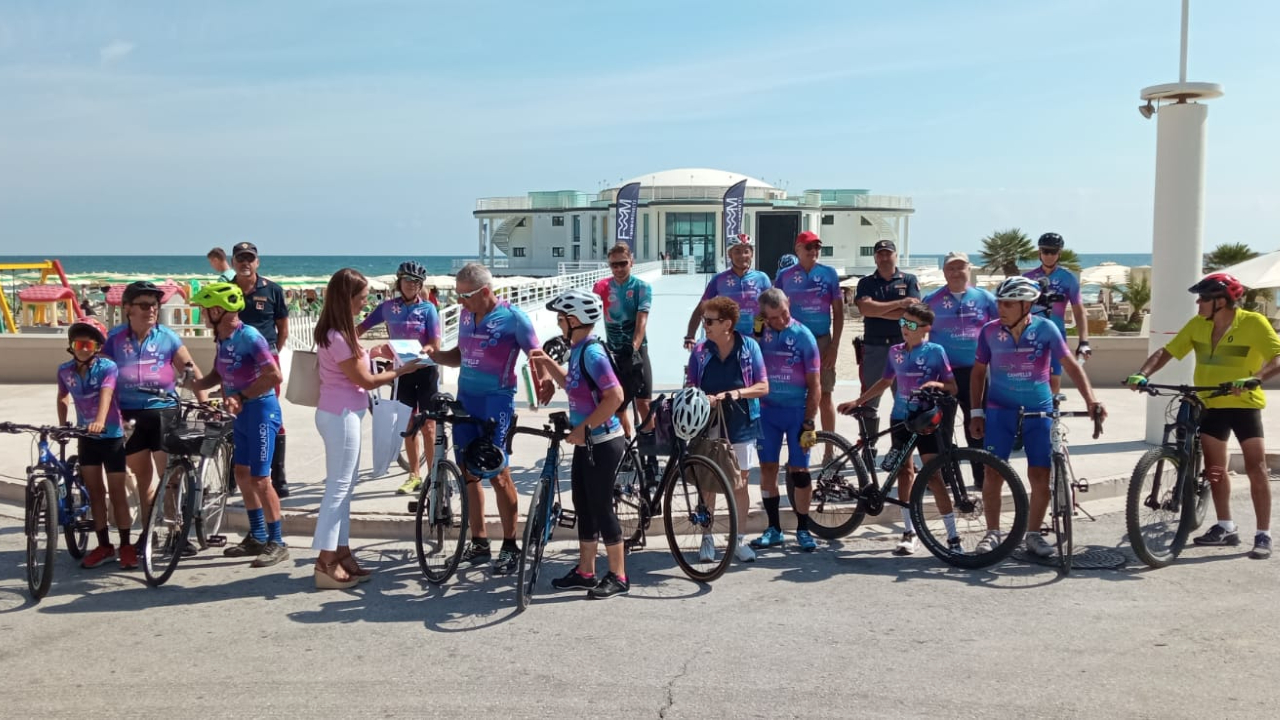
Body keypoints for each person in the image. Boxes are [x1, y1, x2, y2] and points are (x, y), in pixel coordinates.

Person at [1125, 273, 1280, 559]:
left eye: (1204, 298)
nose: (1198, 302)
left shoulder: (1253, 323)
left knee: (1256, 467)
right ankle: (1225, 527)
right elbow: (1167, 352)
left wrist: (1255, 378)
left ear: (1222, 301)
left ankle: (1263, 534)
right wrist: (1142, 374)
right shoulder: (1198, 325)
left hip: (1244, 403)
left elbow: (1278, 357)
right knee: (1215, 470)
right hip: (1210, 403)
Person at [425, 263, 552, 575]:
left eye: (465, 295)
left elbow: (536, 354)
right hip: (466, 400)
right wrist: (436, 355)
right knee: (468, 472)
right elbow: (461, 354)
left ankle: (510, 544)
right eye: (457, 295)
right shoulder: (468, 314)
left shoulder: (514, 319)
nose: (459, 302)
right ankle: (479, 541)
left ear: (484, 291)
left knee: (498, 473)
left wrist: (545, 380)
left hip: (496, 403)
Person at [970, 277, 1105, 558]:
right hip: (999, 410)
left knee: (1040, 473)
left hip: (1039, 409)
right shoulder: (989, 331)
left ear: (1026, 305)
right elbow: (978, 372)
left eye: (1007, 304)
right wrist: (976, 411)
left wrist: (1091, 400)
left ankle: (1033, 535)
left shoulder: (1047, 329)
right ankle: (992, 532)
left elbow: (1070, 366)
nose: (1001, 308)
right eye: (999, 303)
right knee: (992, 473)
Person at [310, 269, 415, 588]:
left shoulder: (341, 333)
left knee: (345, 486)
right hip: (341, 415)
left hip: (344, 413)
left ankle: (341, 552)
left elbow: (356, 366)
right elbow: (365, 380)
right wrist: (400, 371)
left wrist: (372, 352)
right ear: (347, 299)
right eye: (362, 297)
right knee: (339, 489)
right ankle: (325, 560)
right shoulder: (338, 336)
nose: (366, 303)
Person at [529, 289, 631, 598]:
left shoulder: (593, 353)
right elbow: (571, 383)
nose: (558, 324)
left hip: (603, 441)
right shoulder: (579, 350)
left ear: (574, 320)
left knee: (601, 508)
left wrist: (583, 427)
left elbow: (615, 397)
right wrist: (546, 362)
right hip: (587, 442)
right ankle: (586, 571)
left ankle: (619, 575)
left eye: (561, 319)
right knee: (584, 507)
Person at [101, 280, 206, 569]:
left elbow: (190, 369)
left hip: (164, 412)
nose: (151, 311)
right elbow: (102, 377)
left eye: (154, 306)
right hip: (129, 415)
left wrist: (205, 400)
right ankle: (148, 535)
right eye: (144, 305)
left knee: (170, 477)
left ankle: (176, 533)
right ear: (128, 309)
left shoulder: (168, 337)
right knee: (143, 479)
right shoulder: (114, 338)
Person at [839, 303, 958, 555]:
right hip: (900, 418)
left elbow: (952, 387)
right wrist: (858, 401)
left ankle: (953, 536)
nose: (904, 328)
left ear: (925, 328)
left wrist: (935, 383)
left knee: (934, 476)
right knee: (905, 473)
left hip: (926, 419)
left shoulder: (936, 351)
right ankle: (908, 532)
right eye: (902, 322)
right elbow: (885, 381)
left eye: (911, 324)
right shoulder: (895, 352)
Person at [187, 282, 290, 568]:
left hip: (260, 410)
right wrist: (194, 384)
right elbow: (219, 374)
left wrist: (242, 396)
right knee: (242, 474)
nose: (202, 316)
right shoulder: (221, 338)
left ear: (219, 310)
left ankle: (277, 541)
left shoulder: (250, 337)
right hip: (242, 413)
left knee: (260, 478)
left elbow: (274, 376)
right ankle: (256, 535)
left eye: (205, 310)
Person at [685, 296, 769, 563]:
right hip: (708, 423)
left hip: (742, 423)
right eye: (704, 321)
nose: (705, 326)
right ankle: (707, 538)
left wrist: (736, 393)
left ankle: (739, 540)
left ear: (727, 324)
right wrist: (700, 397)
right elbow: (689, 386)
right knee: (707, 484)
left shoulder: (749, 347)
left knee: (740, 483)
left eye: (709, 321)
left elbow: (763, 386)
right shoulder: (700, 351)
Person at [358, 260, 442, 496]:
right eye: (407, 280)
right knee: (407, 426)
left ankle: (434, 476)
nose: (411, 285)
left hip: (425, 371)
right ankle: (414, 476)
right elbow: (360, 328)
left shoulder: (428, 309)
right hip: (402, 373)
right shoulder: (387, 308)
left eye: (416, 282)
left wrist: (427, 349)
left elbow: (435, 343)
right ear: (399, 282)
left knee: (429, 427)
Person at [750, 288, 821, 553]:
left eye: (783, 314)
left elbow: (815, 386)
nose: (779, 321)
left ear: (788, 304)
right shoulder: (760, 333)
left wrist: (810, 422)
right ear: (763, 316)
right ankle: (774, 528)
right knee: (768, 469)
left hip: (796, 412)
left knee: (799, 472)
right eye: (772, 318)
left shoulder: (804, 336)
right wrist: (756, 335)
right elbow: (748, 362)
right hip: (767, 412)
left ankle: (803, 528)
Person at [57, 318, 131, 569]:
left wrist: (99, 421)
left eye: (88, 344)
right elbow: (63, 397)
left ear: (97, 347)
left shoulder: (107, 367)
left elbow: (106, 395)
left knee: (117, 492)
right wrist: (63, 423)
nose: (83, 349)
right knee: (96, 493)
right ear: (71, 345)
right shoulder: (65, 370)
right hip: (86, 438)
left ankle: (127, 545)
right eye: (78, 343)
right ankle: (104, 546)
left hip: (111, 437)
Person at [923, 252, 998, 489]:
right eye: (950, 268)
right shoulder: (931, 300)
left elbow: (1001, 329)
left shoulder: (986, 299)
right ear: (944, 272)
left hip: (976, 372)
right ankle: (948, 478)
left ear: (969, 269)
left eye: (960, 267)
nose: (955, 273)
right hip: (943, 375)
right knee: (942, 429)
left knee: (977, 425)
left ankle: (981, 476)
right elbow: (910, 324)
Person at [229, 241, 292, 499]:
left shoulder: (273, 290)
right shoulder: (226, 290)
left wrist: (271, 355)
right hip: (235, 362)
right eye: (240, 258)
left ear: (257, 262)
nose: (245, 263)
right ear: (233, 262)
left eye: (250, 258)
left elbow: (283, 328)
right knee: (235, 412)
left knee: (270, 415)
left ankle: (277, 474)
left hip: (266, 363)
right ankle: (234, 474)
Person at [774, 231, 843, 437]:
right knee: (796, 396)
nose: (813, 251)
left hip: (822, 342)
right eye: (809, 247)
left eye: (817, 247)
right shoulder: (784, 276)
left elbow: (839, 313)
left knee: (825, 395)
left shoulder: (829, 273)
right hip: (793, 343)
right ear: (798, 249)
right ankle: (799, 447)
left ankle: (830, 450)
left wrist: (834, 347)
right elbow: (774, 309)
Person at [853, 239, 921, 443]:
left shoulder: (908, 280)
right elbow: (865, 309)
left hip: (903, 347)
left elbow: (912, 314)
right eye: (880, 254)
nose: (884, 257)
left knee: (905, 402)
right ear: (875, 257)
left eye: (888, 253)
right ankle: (869, 449)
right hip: (874, 348)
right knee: (868, 403)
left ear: (895, 255)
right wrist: (900, 304)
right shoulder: (865, 282)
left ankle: (902, 453)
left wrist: (878, 309)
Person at [597, 243, 653, 437]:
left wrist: (633, 347)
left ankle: (650, 452)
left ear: (632, 262)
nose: (619, 269)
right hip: (613, 353)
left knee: (644, 403)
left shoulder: (642, 287)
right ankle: (627, 444)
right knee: (616, 405)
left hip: (636, 351)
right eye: (614, 265)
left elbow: (641, 322)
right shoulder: (602, 287)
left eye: (623, 263)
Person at [1024, 232, 1090, 394]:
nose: (1049, 256)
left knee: (1054, 378)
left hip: (1056, 334)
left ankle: (1052, 413)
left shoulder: (1068, 278)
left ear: (1059, 254)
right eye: (1045, 251)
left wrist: (1084, 341)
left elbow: (1079, 311)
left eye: (1053, 252)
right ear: (1039, 252)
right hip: (1031, 333)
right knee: (1028, 376)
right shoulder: (1028, 278)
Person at [685, 234, 772, 345]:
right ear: (729, 254)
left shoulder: (762, 278)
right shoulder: (719, 279)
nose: (742, 255)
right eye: (737, 251)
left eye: (746, 251)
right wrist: (690, 336)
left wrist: (759, 333)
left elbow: (770, 309)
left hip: (756, 340)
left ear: (752, 254)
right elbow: (701, 308)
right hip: (727, 341)